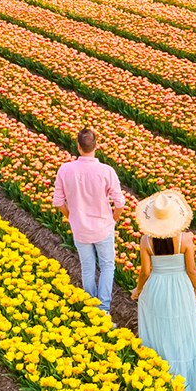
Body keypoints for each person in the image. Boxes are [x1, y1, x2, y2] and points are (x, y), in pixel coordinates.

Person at [132, 189, 196, 391]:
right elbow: (192, 270)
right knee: (182, 329)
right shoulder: (185, 239)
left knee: (161, 330)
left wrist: (138, 290)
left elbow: (145, 272)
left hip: (157, 287)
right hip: (180, 287)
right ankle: (184, 377)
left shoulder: (146, 241)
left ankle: (163, 377)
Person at [52, 128, 125, 314]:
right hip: (103, 227)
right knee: (108, 266)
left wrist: (71, 216)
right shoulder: (106, 171)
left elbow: (58, 201)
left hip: (80, 228)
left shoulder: (65, 169)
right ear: (96, 146)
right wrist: (113, 219)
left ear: (78, 146)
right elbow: (120, 202)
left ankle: (91, 308)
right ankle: (103, 309)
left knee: (87, 267)